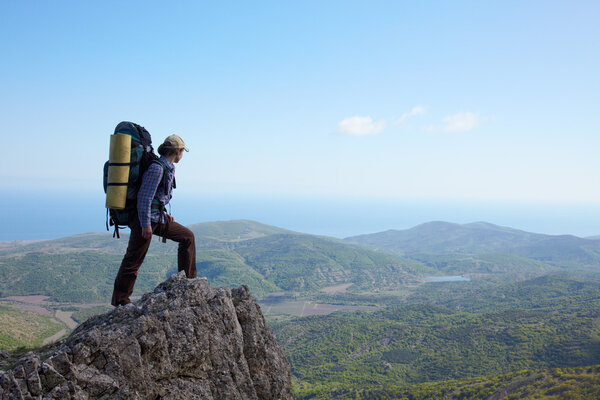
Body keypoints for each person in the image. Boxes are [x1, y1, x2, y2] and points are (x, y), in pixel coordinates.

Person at [111, 134, 197, 306]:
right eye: (182, 151)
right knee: (133, 259)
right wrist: (145, 224)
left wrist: (163, 214)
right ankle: (121, 300)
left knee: (187, 237)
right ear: (177, 151)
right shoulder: (157, 168)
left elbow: (157, 197)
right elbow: (144, 197)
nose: (182, 155)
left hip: (158, 217)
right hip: (145, 220)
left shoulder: (168, 167)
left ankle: (187, 283)